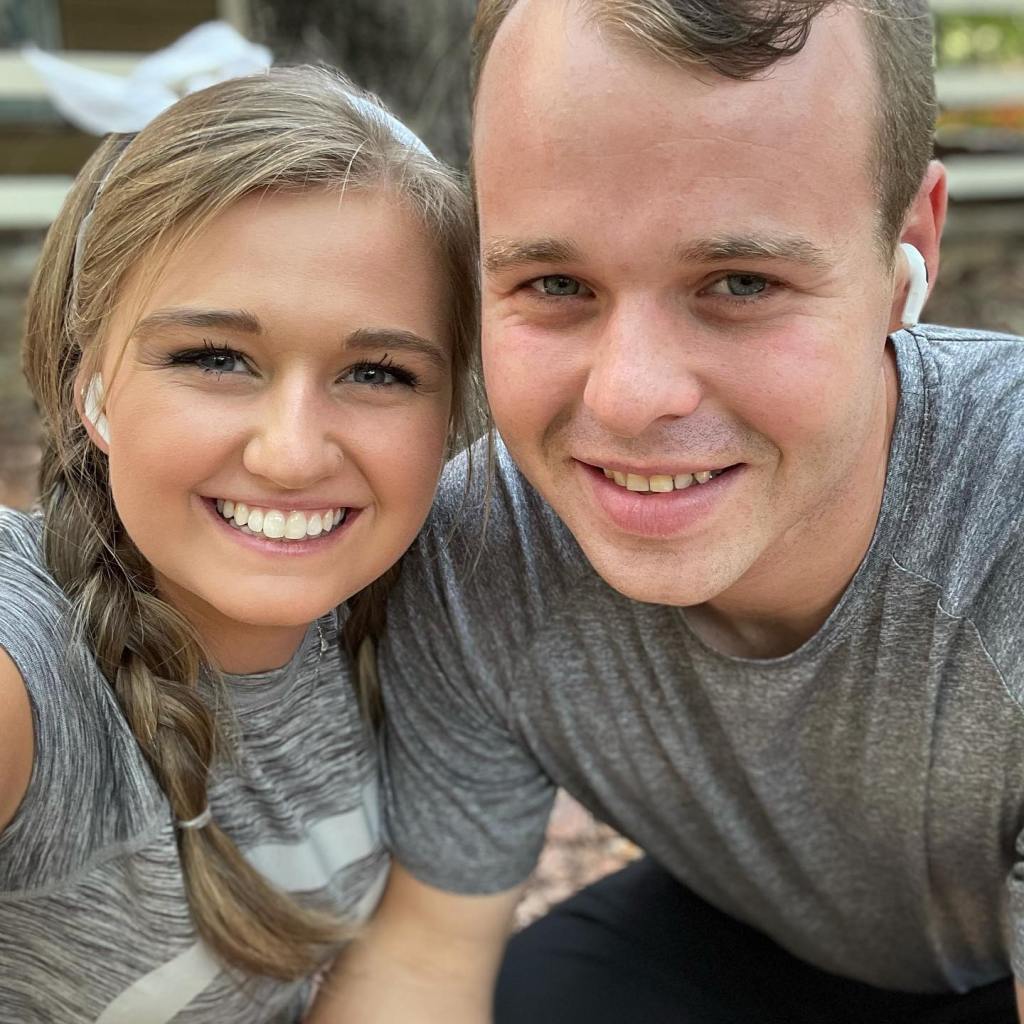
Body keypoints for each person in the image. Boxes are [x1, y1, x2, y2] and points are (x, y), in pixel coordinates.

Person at [316, 1, 1024, 1022]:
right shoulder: (477, 551)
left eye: (740, 281)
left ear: (905, 249)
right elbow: (425, 962)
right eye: (553, 282)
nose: (626, 396)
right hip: (769, 935)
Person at [0, 65, 479, 1022]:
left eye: (378, 372)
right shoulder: (30, 675)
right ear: (93, 384)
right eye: (215, 359)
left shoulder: (437, 612)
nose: (293, 453)